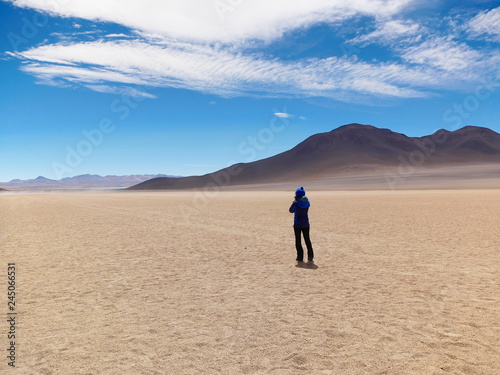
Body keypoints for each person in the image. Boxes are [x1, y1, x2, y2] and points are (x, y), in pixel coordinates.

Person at [289, 186, 314, 263]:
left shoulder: (296, 203)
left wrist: (294, 202)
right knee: (307, 240)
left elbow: (291, 210)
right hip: (306, 224)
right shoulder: (307, 202)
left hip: (297, 224)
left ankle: (300, 257)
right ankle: (310, 256)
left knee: (298, 240)